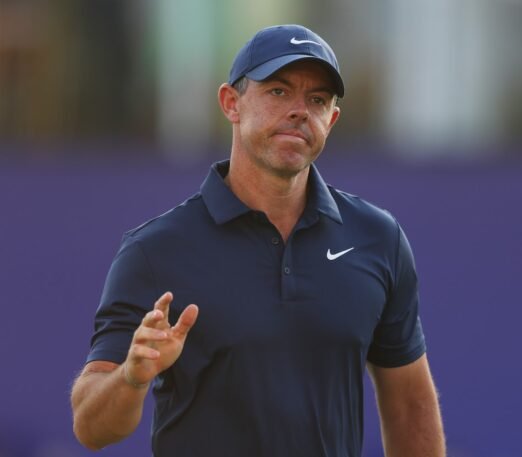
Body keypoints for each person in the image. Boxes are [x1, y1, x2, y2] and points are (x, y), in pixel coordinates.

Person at [70, 24, 446, 457]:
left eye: (317, 100)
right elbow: (91, 428)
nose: (300, 111)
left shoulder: (376, 238)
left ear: (331, 120)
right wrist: (131, 378)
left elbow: (410, 406)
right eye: (279, 92)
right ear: (231, 103)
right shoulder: (155, 250)